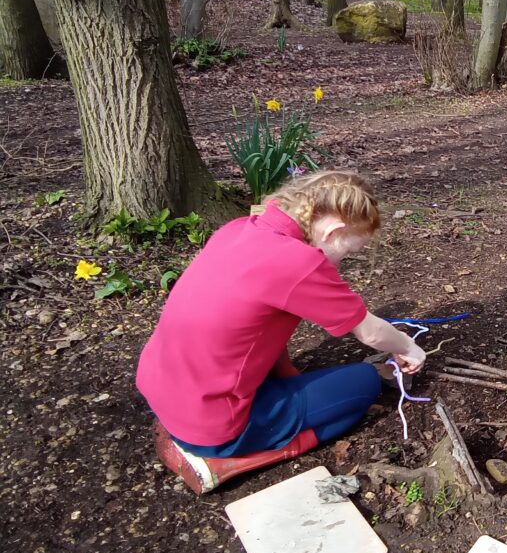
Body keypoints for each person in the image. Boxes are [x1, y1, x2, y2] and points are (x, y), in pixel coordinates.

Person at [137, 171, 426, 493]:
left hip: (164, 388)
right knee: (364, 384)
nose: (342, 262)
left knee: (296, 378)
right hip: (213, 424)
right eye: (348, 252)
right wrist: (410, 347)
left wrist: (287, 374)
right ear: (333, 231)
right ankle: (223, 461)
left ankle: (237, 423)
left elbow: (257, 328)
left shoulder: (238, 230)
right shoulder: (299, 262)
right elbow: (371, 333)